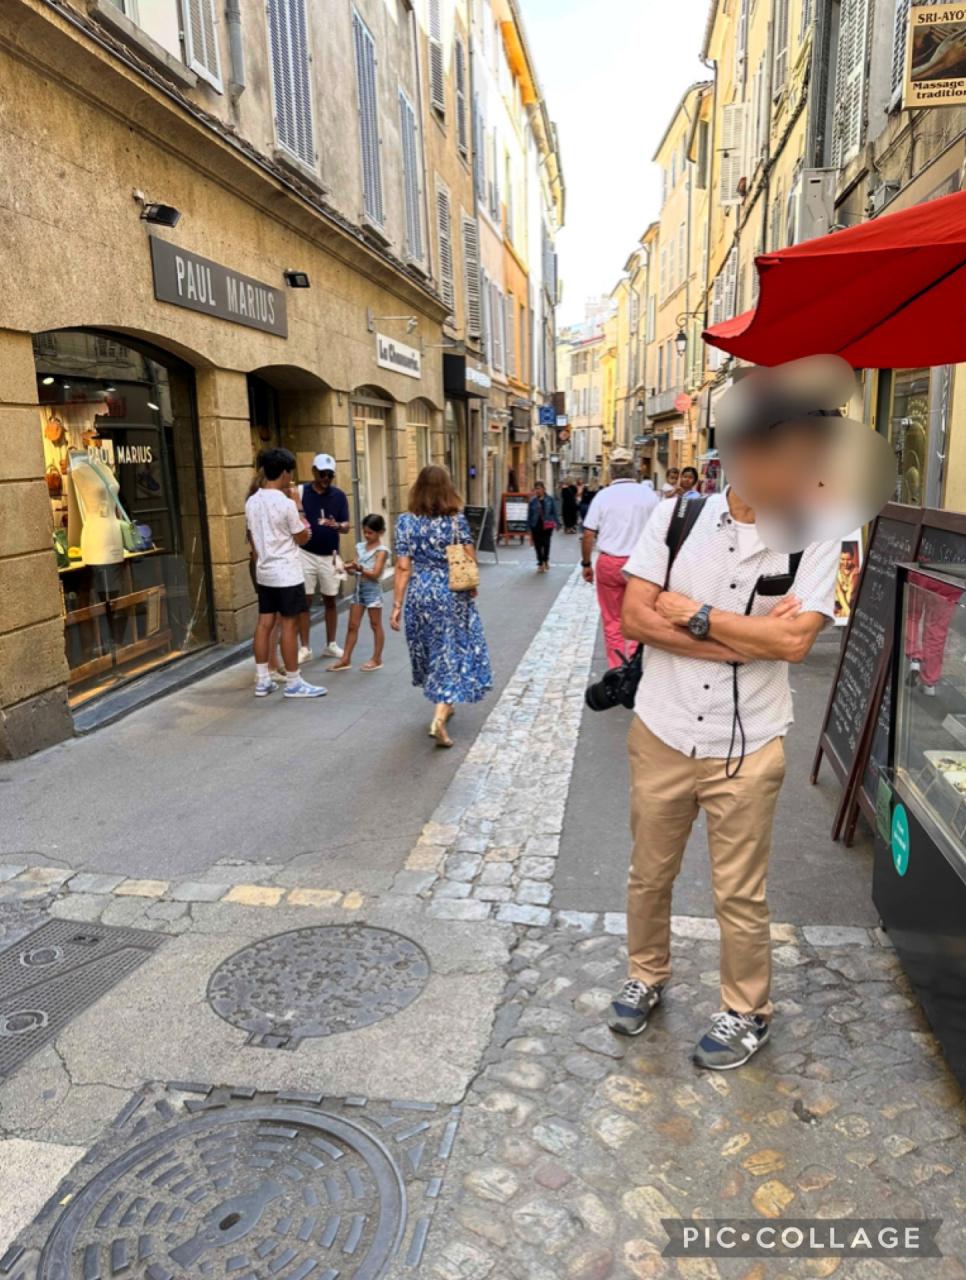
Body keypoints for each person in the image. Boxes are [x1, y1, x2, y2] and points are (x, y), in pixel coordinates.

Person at [607, 406, 841, 1070]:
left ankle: (746, 1010)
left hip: (750, 743)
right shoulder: (675, 518)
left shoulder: (816, 533)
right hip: (664, 726)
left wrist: (696, 615)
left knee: (740, 891)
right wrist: (746, 640)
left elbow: (794, 643)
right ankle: (646, 973)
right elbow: (635, 617)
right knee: (649, 872)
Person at [391, 465, 493, 747]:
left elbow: (403, 567)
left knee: (431, 650)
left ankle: (447, 704)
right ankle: (439, 716)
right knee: (451, 652)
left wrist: (397, 604)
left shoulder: (405, 522)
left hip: (419, 593)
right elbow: (469, 557)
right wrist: (471, 584)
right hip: (451, 593)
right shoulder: (456, 521)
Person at [245, 448, 327, 699]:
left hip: (265, 570)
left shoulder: (252, 502)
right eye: (290, 472)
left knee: (264, 623)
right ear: (283, 473)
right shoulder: (286, 503)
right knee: (289, 625)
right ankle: (293, 681)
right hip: (287, 573)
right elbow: (302, 537)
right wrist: (299, 507)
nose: (291, 477)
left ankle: (262, 679)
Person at [580, 448, 661, 667]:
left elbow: (588, 533)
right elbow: (661, 531)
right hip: (641, 564)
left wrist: (586, 563)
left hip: (610, 563)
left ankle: (617, 667)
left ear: (611, 471)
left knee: (612, 619)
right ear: (634, 470)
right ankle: (634, 665)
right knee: (639, 617)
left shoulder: (603, 496)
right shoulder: (649, 495)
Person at [296, 453, 350, 664]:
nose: (326, 478)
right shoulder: (301, 492)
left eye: (330, 474)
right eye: (322, 474)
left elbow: (346, 525)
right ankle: (305, 647)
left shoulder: (339, 496)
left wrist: (338, 525)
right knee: (305, 600)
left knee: (330, 599)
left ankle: (331, 644)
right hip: (305, 553)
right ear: (313, 471)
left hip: (330, 555)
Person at [329, 514, 390, 673]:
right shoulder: (360, 547)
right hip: (358, 590)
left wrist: (359, 568)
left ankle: (377, 658)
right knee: (352, 625)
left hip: (373, 591)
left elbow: (376, 574)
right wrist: (345, 568)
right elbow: (354, 569)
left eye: (370, 532)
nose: (367, 535)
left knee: (375, 624)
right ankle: (345, 659)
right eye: (365, 532)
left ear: (380, 532)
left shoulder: (382, 551)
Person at [527, 481, 558, 573]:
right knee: (537, 545)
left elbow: (554, 512)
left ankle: (546, 560)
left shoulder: (550, 499)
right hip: (536, 525)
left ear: (543, 489)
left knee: (546, 543)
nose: (537, 490)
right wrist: (528, 527)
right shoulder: (532, 501)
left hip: (547, 525)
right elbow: (529, 514)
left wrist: (557, 523)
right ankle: (540, 563)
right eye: (536, 489)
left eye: (539, 488)